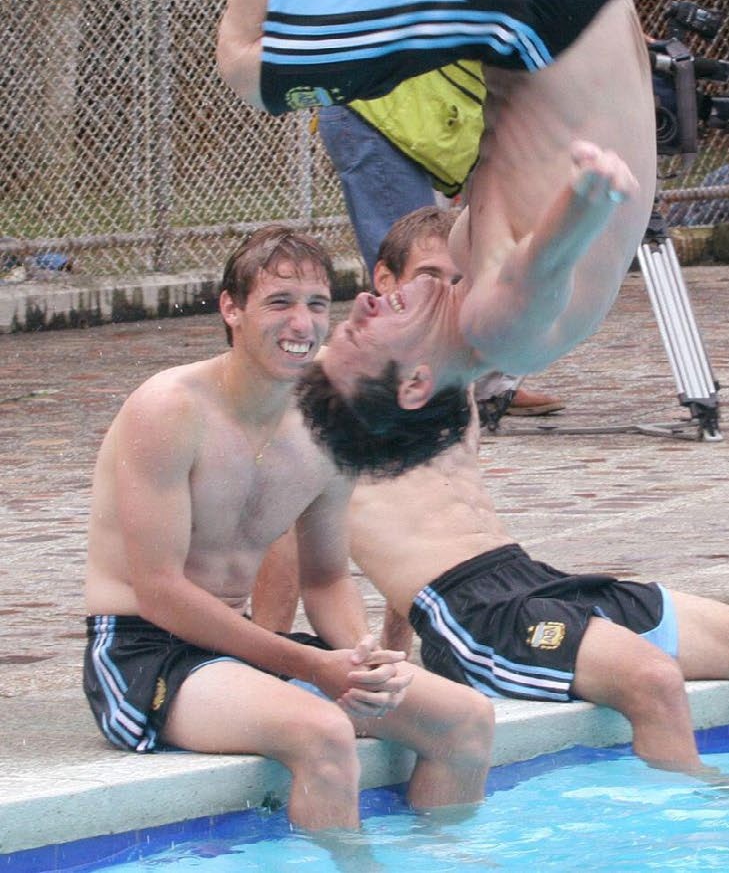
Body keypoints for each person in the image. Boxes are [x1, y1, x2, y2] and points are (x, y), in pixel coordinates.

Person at [175, 0, 655, 473]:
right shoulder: (503, 332)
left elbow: (469, 229)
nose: (358, 311)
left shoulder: (460, 282)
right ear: (415, 384)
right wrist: (591, 197)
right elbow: (544, 262)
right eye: (356, 341)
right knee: (248, 63)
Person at [344, 207, 729, 772]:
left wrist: (396, 649)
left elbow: (418, 522)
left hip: (533, 580)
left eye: (460, 280)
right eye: (430, 277)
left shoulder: (450, 377)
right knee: (653, 679)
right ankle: (707, 818)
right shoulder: (324, 392)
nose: (448, 295)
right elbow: (305, 551)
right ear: (383, 280)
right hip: (472, 614)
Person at [82, 227, 492, 831]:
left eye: (317, 305)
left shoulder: (326, 426)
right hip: (143, 652)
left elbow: (326, 580)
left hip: (237, 648)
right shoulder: (169, 409)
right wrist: (311, 667)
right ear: (231, 308)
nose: (302, 324)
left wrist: (360, 656)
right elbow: (160, 592)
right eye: (279, 303)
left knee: (466, 721)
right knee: (323, 732)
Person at [311, 0, 563, 422]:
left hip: (443, 121)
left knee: (484, 247)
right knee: (414, 263)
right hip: (376, 113)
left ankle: (489, 382)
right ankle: (415, 396)